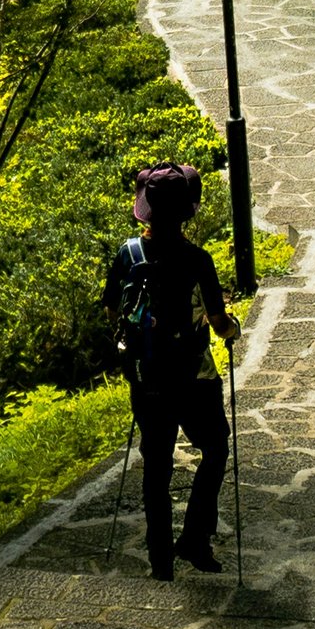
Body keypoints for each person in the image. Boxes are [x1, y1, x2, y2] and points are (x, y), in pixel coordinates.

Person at [105, 162, 237, 580]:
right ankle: (195, 538)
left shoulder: (128, 254)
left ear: (145, 209)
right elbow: (218, 322)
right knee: (215, 449)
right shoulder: (198, 259)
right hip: (194, 376)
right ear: (185, 212)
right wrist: (231, 327)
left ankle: (160, 561)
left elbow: (112, 310)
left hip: (147, 377)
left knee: (156, 465)